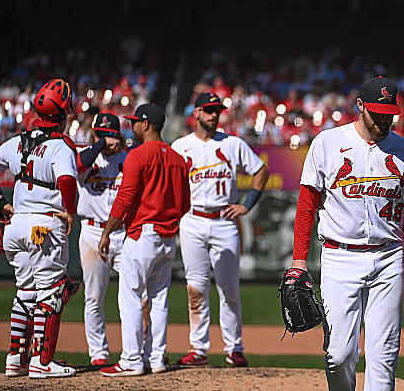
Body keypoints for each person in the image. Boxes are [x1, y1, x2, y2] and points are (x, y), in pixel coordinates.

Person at [290, 76, 404, 390]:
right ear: (359, 106)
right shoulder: (327, 143)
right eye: (376, 111)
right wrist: (299, 261)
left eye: (389, 112)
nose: (383, 118)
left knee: (383, 357)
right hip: (339, 258)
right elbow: (306, 206)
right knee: (339, 355)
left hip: (389, 258)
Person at [0, 78, 79, 378]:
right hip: (44, 227)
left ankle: (15, 359)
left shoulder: (17, 142)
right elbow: (66, 182)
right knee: (53, 292)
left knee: (25, 292)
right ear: (62, 114)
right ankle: (42, 361)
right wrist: (71, 212)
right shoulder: (60, 146)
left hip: (15, 225)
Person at [170, 92, 269, 367]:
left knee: (229, 287)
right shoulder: (180, 146)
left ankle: (234, 347)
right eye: (208, 110)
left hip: (225, 220)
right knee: (196, 287)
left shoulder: (233, 144)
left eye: (217, 110)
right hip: (193, 220)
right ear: (196, 113)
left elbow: (260, 172)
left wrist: (247, 205)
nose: (214, 115)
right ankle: (198, 349)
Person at [98, 103, 190, 376]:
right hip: (168, 236)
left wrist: (106, 232)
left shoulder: (138, 155)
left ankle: (131, 360)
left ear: (147, 124)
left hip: (143, 234)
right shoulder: (177, 158)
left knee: (131, 297)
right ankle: (157, 359)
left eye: (136, 121)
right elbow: (185, 203)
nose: (132, 125)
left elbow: (125, 198)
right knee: (159, 298)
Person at [76, 113, 125, 366]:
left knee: (136, 294)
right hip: (93, 233)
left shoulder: (126, 158)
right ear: (94, 135)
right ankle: (98, 353)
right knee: (93, 296)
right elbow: (80, 163)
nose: (106, 139)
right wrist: (100, 144)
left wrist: (121, 143)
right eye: (100, 134)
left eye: (110, 134)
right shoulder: (85, 154)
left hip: (123, 233)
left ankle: (135, 350)